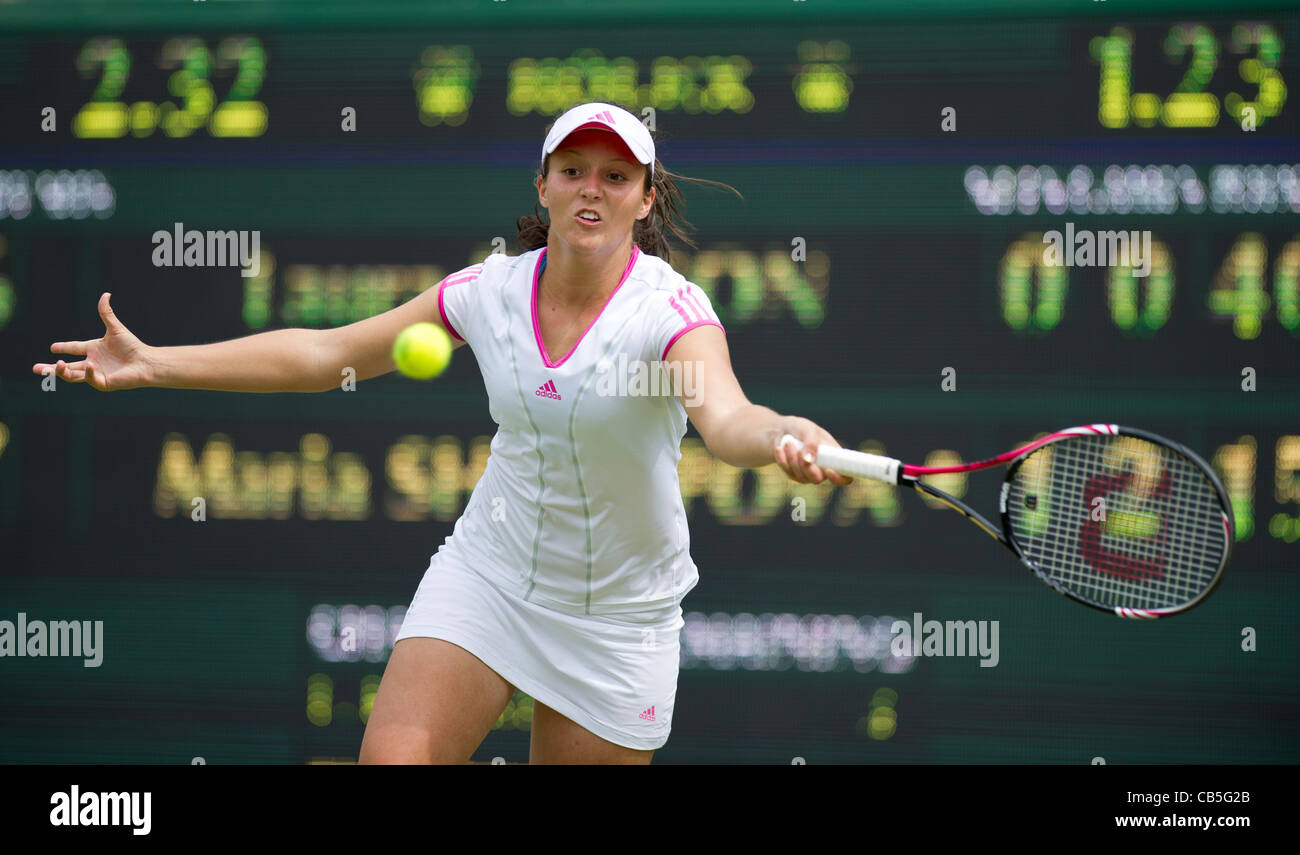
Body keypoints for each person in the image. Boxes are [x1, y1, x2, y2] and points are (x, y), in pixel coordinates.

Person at [31, 101, 852, 765]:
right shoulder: (489, 292)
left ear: (645, 196)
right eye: (573, 171)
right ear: (544, 186)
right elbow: (327, 352)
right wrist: (155, 363)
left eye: (614, 174)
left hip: (619, 619)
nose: (591, 189)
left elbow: (729, 418)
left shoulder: (670, 314)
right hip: (489, 578)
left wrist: (782, 432)